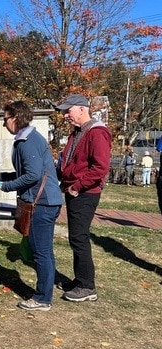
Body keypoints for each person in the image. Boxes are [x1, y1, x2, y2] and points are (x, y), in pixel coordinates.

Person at [0, 101, 63, 311]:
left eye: (5, 120)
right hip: (46, 202)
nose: (4, 125)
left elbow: (32, 175)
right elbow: (28, 171)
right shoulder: (28, 138)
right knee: (43, 251)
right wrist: (1, 176)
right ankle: (44, 294)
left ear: (15, 117)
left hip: (42, 204)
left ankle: (42, 299)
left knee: (42, 252)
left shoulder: (28, 141)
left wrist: (6, 185)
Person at [55, 94, 112, 302]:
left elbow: (100, 167)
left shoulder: (97, 132)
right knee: (76, 237)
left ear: (81, 109)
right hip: (75, 191)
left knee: (79, 238)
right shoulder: (78, 132)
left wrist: (77, 187)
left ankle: (87, 286)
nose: (65, 116)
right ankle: (80, 279)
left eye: (67, 111)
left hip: (85, 193)